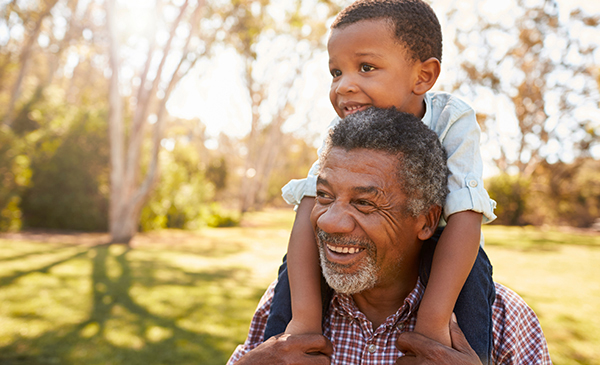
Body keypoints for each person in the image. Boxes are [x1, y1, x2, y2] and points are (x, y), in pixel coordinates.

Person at [264, 0, 497, 363]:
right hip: (368, 255)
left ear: (423, 76)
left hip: (442, 241)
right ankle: (283, 350)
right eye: (336, 72)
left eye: (366, 67)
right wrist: (304, 320)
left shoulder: (451, 119)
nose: (343, 86)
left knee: (475, 269)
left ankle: (463, 355)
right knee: (291, 268)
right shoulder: (340, 132)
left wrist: (432, 324)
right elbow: (309, 208)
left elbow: (466, 215)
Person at [228, 108, 552, 365]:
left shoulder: (504, 319)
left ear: (426, 221)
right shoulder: (284, 303)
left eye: (365, 203)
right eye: (324, 197)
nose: (330, 222)